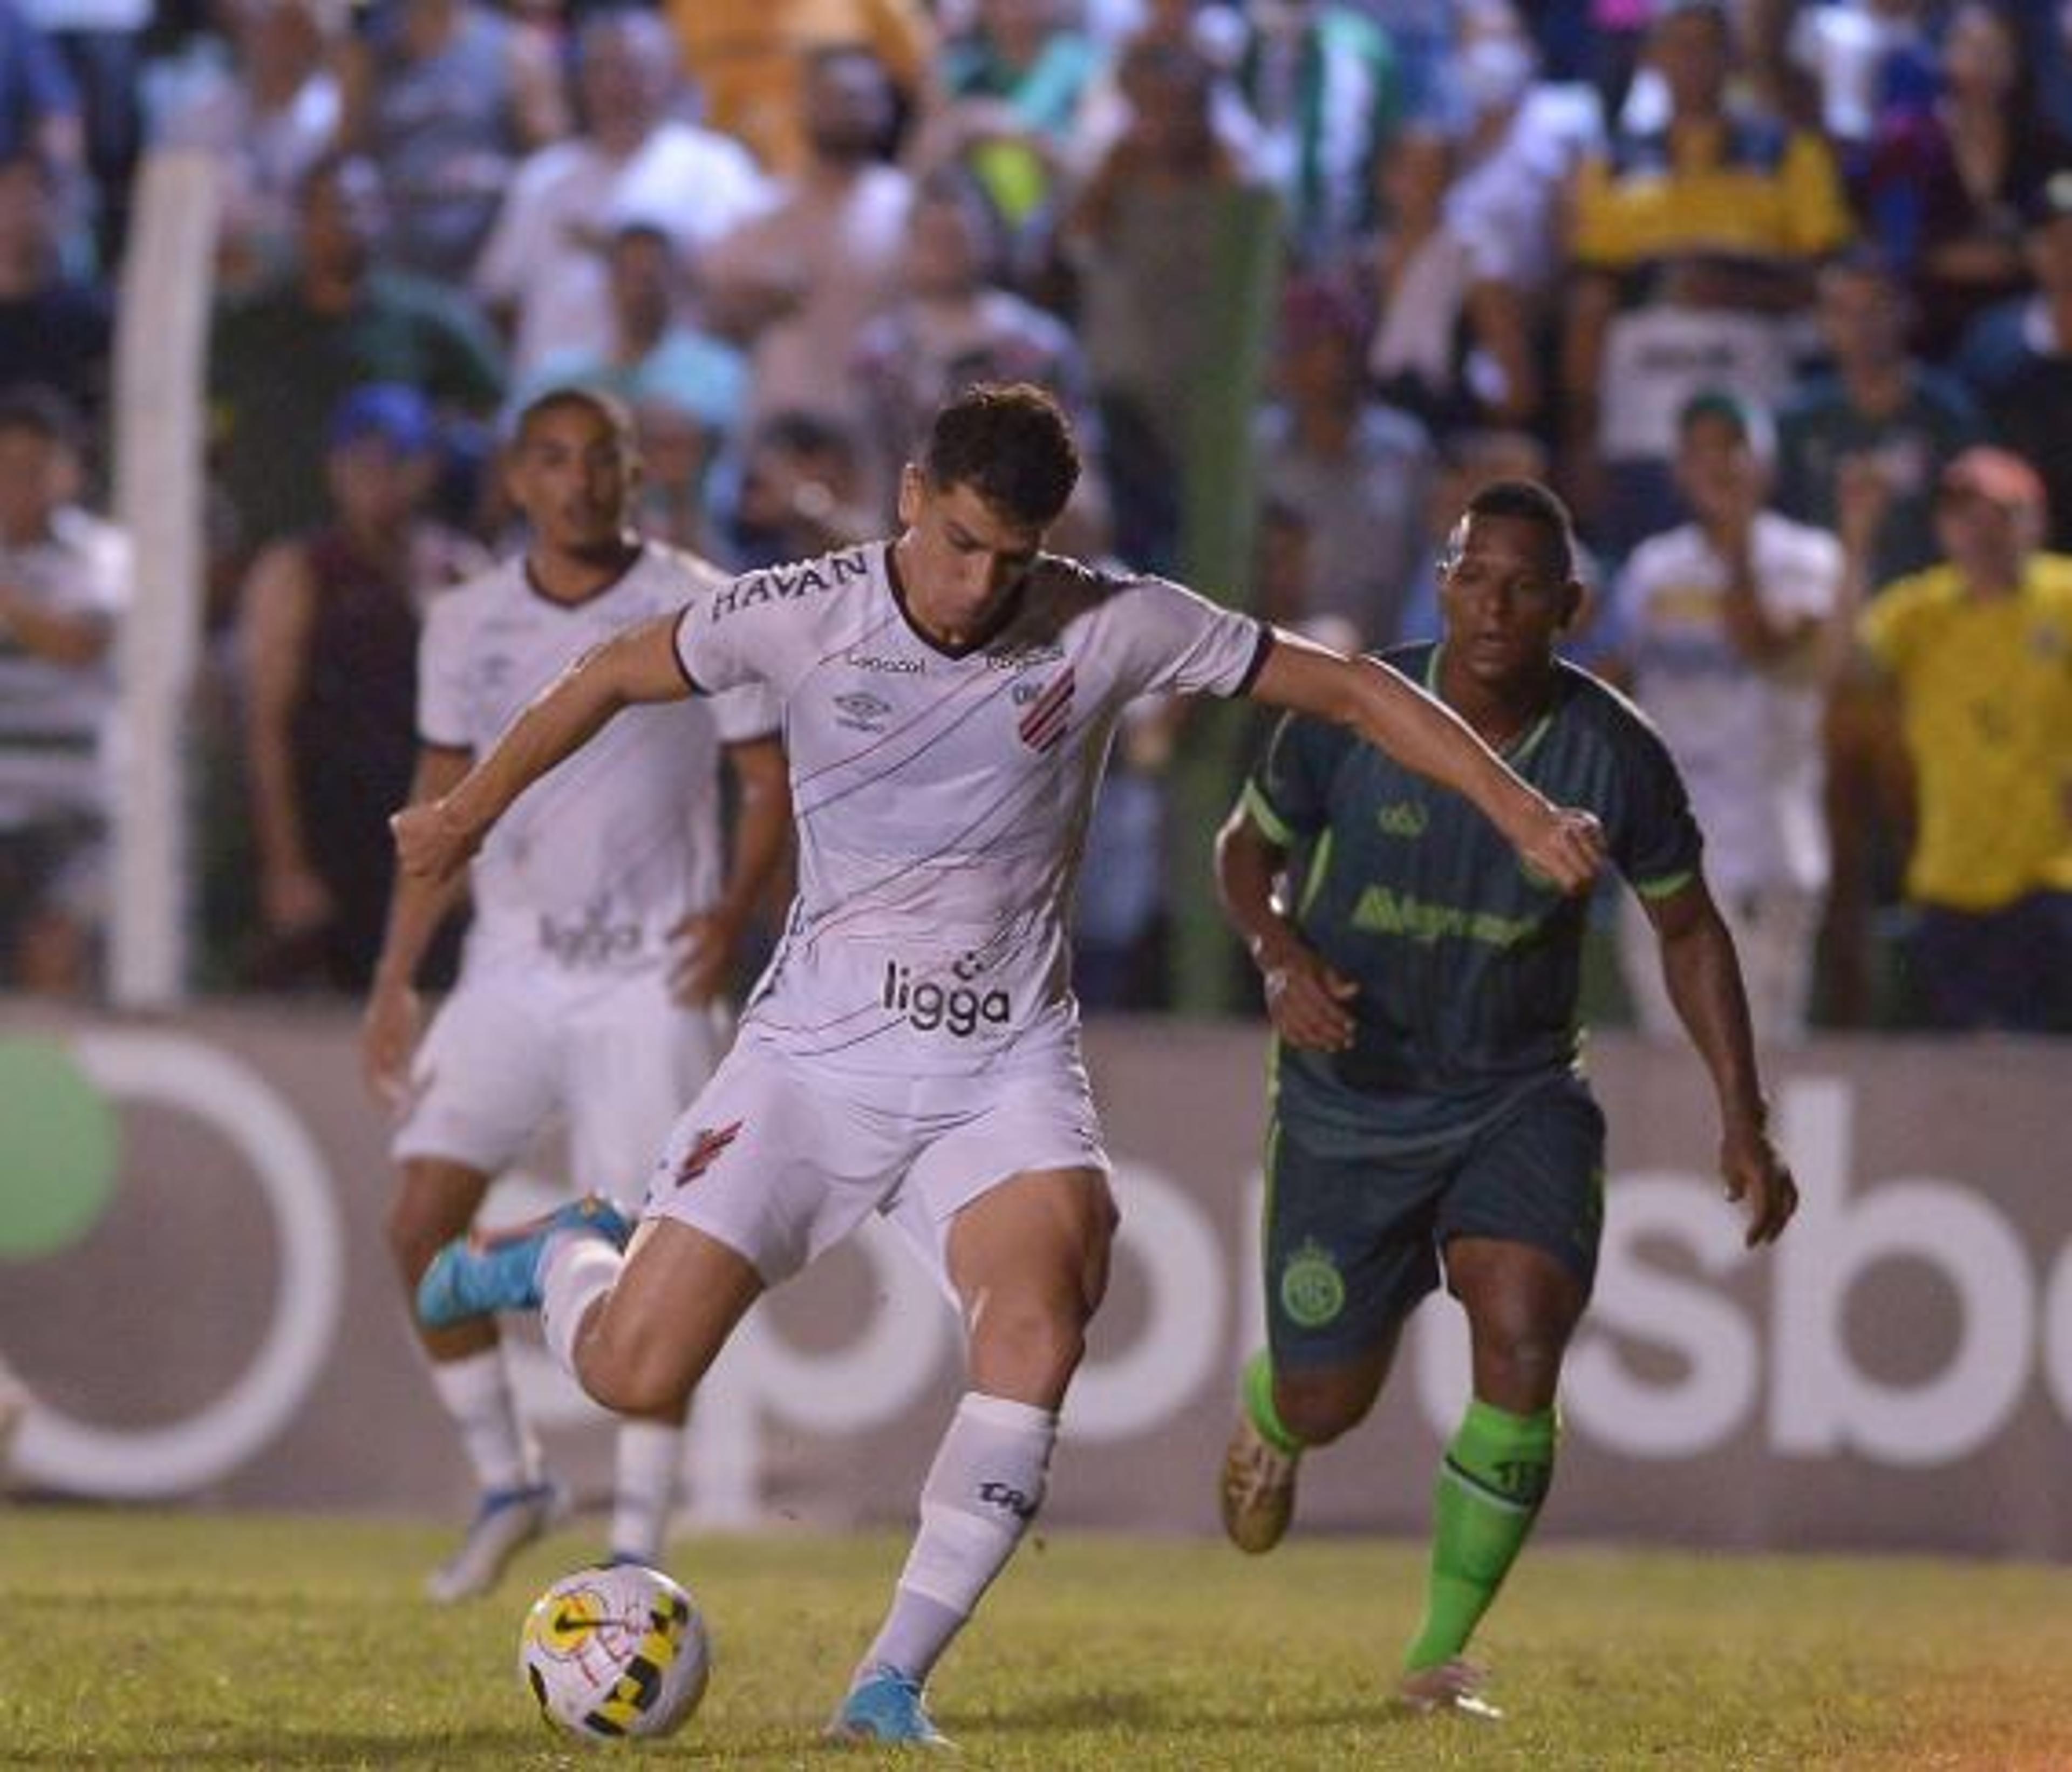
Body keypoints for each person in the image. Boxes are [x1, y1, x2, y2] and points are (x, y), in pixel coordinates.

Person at [394, 383, 1604, 1744]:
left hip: (999, 1069)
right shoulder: (803, 611)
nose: (980, 585)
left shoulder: (1107, 619)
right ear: (911, 496)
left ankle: (887, 1685)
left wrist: (1514, 805)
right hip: (812, 1064)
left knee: (1044, 1320)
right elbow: (614, 669)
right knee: (630, 1371)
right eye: (961, 543)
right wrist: (463, 813)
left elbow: (1346, 688)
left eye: (1012, 558)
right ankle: (563, 1252)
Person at [1212, 478, 1798, 1718]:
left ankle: (1437, 1655)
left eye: (1525, 585)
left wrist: (1740, 1112)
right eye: (1474, 576)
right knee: (1330, 1394)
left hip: (1514, 1092)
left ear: (1568, 606)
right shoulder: (1350, 709)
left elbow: (1687, 928)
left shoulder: (1615, 751)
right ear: (1440, 583)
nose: (1494, 604)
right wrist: (1278, 957)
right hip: (1349, 1092)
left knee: (1523, 1336)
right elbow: (1242, 851)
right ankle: (1276, 1412)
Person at [362, 387, 790, 1603]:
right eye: (552, 460)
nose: (579, 482)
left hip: (649, 971)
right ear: (514, 480)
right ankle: (512, 1479)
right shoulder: (464, 623)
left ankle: (639, 1545)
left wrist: (734, 912)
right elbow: (441, 801)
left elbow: (767, 780)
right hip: (510, 962)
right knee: (417, 1223)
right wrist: (398, 974)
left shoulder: (700, 602)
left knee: (659, 1258)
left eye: (600, 460)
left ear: (632, 478)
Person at [1609, 391, 1843, 1045]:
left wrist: (1738, 544)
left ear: (1763, 463)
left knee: (1759, 1060)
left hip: (1768, 843)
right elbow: (1617, 680)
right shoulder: (1653, 566)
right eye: (1697, 451)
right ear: (1678, 468)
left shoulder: (1809, 558)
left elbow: (1765, 645)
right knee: (1667, 1050)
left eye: (1731, 448)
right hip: (1668, 847)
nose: (1715, 465)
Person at [238, 383, 486, 993]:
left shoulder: (458, 571)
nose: (377, 482)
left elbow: (501, 724)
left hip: (430, 833)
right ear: (335, 470)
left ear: (425, 468)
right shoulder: (299, 573)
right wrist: (286, 864)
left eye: (394, 465)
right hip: (334, 833)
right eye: (361, 466)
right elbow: (268, 724)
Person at [1835, 445, 2072, 1032]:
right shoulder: (1921, 610)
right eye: (1966, 515)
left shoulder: (2064, 598)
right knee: (1964, 1079)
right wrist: (1858, 540)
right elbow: (1845, 669)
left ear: (2036, 521)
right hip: (1949, 879)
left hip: (2050, 876)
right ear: (1943, 528)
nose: (1982, 531)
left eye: (2002, 514)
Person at [0, 383, 127, 994]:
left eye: (34, 468)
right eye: (7, 468)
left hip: (76, 815)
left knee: (51, 953)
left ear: (70, 472)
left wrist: (10, 606)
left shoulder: (102, 554)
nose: (19, 483)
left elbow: (82, 641)